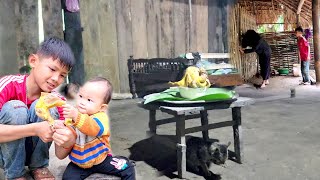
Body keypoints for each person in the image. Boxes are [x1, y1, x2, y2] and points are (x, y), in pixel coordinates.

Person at [0, 37, 77, 180]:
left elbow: (60, 154)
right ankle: (15, 174)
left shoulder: (57, 101)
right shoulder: (7, 85)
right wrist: (35, 129)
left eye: (62, 75)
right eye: (52, 69)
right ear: (33, 61)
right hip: (4, 154)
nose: (56, 78)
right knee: (15, 108)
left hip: (30, 152)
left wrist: (68, 139)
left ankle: (39, 166)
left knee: (44, 106)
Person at [58, 77, 136, 180]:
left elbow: (92, 128)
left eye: (89, 100)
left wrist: (76, 116)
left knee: (127, 167)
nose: (82, 102)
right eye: (81, 96)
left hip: (101, 160)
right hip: (78, 163)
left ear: (102, 107)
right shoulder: (75, 114)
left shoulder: (100, 117)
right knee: (68, 178)